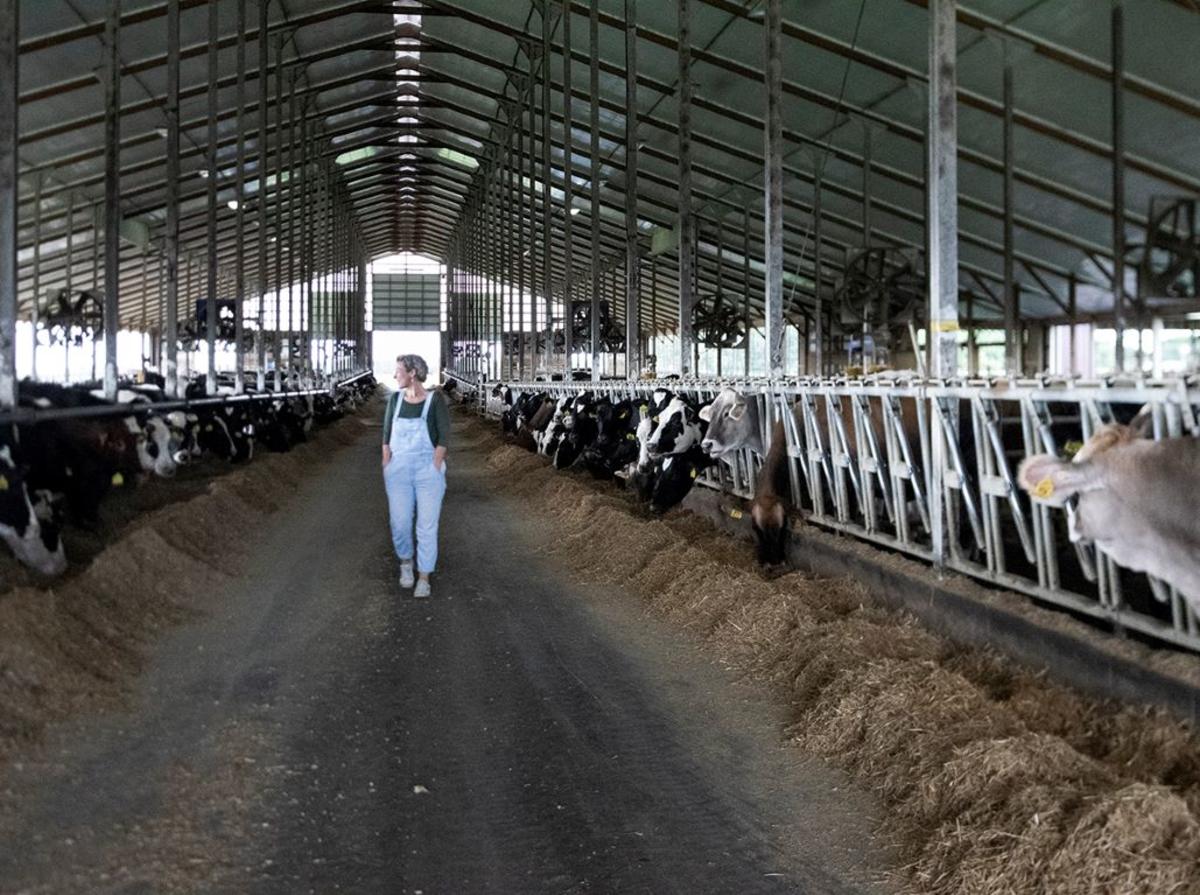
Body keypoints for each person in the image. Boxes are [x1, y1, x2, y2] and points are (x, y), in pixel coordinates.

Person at [381, 354, 450, 598]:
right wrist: (387, 463)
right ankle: (406, 562)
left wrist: (435, 465)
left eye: (398, 370)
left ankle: (424, 576)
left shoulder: (434, 400)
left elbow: (444, 436)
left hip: (427, 470)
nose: (394, 375)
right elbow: (387, 436)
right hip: (398, 470)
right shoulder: (395, 401)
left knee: (427, 525)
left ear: (412, 373)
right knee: (399, 522)